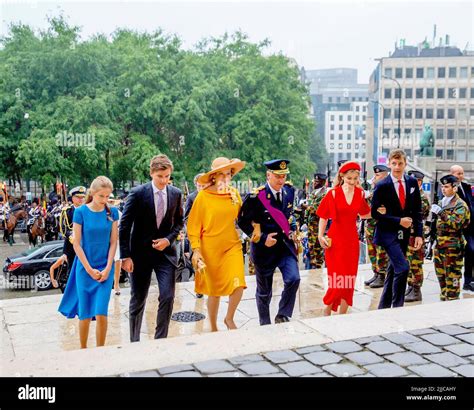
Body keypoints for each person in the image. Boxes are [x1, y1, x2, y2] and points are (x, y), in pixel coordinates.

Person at [119, 154, 184, 342]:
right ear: (151, 173)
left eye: (167, 176)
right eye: (160, 177)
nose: (164, 181)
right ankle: (134, 340)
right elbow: (124, 225)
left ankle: (160, 339)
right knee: (138, 299)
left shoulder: (176, 193)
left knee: (167, 296)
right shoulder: (138, 193)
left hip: (166, 254)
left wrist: (168, 239)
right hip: (139, 255)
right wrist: (125, 256)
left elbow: (179, 223)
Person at [58, 176, 119, 349]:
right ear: (92, 193)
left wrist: (108, 268)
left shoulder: (112, 212)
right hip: (84, 269)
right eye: (102, 196)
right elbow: (76, 243)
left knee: (101, 312)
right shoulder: (80, 212)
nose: (105, 200)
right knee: (84, 314)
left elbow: (114, 242)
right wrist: (89, 269)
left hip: (105, 268)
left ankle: (100, 350)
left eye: (108, 196)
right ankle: (83, 350)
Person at [187, 157, 247, 331]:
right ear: (213, 176)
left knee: (238, 283)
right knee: (214, 291)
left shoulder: (234, 194)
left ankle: (229, 318)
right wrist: (196, 250)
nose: (226, 178)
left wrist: (257, 227)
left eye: (229, 174)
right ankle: (213, 326)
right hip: (210, 248)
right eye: (222, 174)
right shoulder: (203, 197)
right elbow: (193, 226)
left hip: (232, 246)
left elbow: (244, 218)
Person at [238, 159, 300, 325]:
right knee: (265, 292)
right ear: (268, 175)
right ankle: (265, 324)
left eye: (283, 176)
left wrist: (292, 228)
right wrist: (263, 238)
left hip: (285, 247)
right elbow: (242, 222)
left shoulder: (289, 191)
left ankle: (283, 314)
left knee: (294, 279)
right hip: (264, 250)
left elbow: (289, 214)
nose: (281, 180)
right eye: (278, 176)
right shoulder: (255, 196)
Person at [316, 161, 371, 316]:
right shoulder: (333, 193)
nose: (353, 182)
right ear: (342, 176)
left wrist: (382, 211)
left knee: (349, 280)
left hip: (352, 241)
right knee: (336, 280)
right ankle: (326, 313)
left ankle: (342, 316)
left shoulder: (360, 194)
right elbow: (323, 216)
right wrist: (320, 236)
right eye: (349, 178)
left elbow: (365, 214)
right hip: (335, 241)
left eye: (355, 178)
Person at [371, 149, 423, 309]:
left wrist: (419, 234)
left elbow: (417, 211)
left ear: (405, 164)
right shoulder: (382, 186)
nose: (397, 167)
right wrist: (398, 220)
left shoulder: (412, 183)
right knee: (403, 267)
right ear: (389, 164)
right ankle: (397, 307)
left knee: (393, 271)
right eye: (394, 163)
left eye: (400, 163)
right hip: (387, 234)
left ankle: (383, 308)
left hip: (404, 234)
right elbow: (374, 214)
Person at [431, 175, 471, 301]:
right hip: (440, 245)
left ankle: (452, 303)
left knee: (452, 277)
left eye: (446, 186)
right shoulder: (442, 201)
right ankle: (444, 300)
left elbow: (456, 224)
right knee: (441, 275)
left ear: (455, 188)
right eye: (442, 186)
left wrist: (441, 213)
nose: (443, 189)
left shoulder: (460, 205)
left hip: (453, 247)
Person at [405, 170, 431, 302]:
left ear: (419, 182)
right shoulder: (410, 194)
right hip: (407, 234)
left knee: (415, 263)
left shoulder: (422, 198)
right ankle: (410, 286)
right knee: (409, 262)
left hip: (416, 235)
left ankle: (416, 290)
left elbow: (418, 214)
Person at [364, 164, 390, 288]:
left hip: (381, 226)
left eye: (378, 175)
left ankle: (381, 275)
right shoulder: (375, 189)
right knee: (372, 251)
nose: (375, 177)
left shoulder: (387, 190)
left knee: (381, 252)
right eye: (375, 174)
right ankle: (376, 273)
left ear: (385, 176)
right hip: (370, 226)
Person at [450, 165, 474, 292]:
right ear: (451, 174)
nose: (460, 176)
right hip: (459, 228)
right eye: (457, 173)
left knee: (472, 252)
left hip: (471, 226)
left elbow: (471, 203)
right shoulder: (448, 188)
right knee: (469, 251)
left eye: (462, 173)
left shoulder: (466, 187)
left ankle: (470, 280)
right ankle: (463, 282)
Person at [59, 186, 86, 293]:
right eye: (78, 197)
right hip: (71, 245)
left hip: (86, 244)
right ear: (72, 198)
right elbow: (64, 228)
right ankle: (72, 292)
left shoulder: (88, 210)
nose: (80, 199)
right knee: (72, 270)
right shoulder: (67, 211)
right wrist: (74, 238)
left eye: (82, 197)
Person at [304, 173, 328, 269]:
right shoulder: (314, 192)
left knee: (318, 247)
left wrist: (306, 207)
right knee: (311, 246)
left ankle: (317, 265)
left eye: (317, 181)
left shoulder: (324, 194)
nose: (315, 183)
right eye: (315, 180)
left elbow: (318, 209)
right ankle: (313, 264)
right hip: (311, 225)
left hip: (318, 224)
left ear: (323, 182)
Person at [108, 193, 123, 295]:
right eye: (109, 202)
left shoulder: (118, 213)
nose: (111, 203)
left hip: (116, 241)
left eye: (112, 202)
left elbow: (123, 227)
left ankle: (116, 284)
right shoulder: (100, 212)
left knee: (118, 260)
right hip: (103, 241)